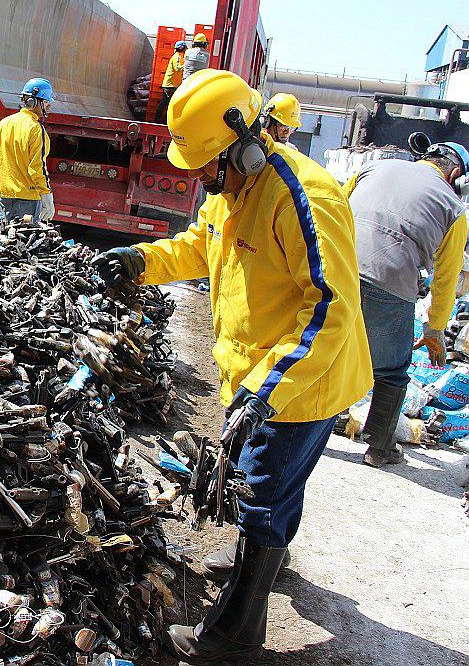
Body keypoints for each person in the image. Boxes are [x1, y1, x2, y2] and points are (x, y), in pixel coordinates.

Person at [93, 69, 371, 664]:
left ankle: (236, 635)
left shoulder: (304, 197)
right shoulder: (233, 189)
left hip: (301, 382)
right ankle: (261, 558)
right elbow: (199, 245)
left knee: (262, 488)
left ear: (242, 145)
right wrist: (140, 260)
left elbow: (332, 308)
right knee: (274, 485)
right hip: (261, 374)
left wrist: (266, 389)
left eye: (205, 165)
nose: (197, 177)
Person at [344, 142, 469, 467]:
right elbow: (446, 278)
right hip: (389, 284)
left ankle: (296, 421)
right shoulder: (454, 208)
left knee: (328, 350)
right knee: (392, 372)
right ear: (456, 174)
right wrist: (434, 329)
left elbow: (334, 208)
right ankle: (380, 447)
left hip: (337, 270)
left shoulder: (373, 169)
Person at [0, 78, 55, 228]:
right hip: (27, 200)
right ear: (34, 103)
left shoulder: (3, 124)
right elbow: (37, 167)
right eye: (46, 103)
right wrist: (46, 195)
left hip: (4, 197)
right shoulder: (36, 129)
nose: (49, 108)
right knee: (23, 247)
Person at [157, 41, 187, 123]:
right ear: (182, 48)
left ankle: (160, 119)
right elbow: (177, 68)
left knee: (165, 103)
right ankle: (162, 121)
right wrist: (188, 66)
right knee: (170, 104)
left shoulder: (180, 56)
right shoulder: (177, 56)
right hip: (170, 85)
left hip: (172, 85)